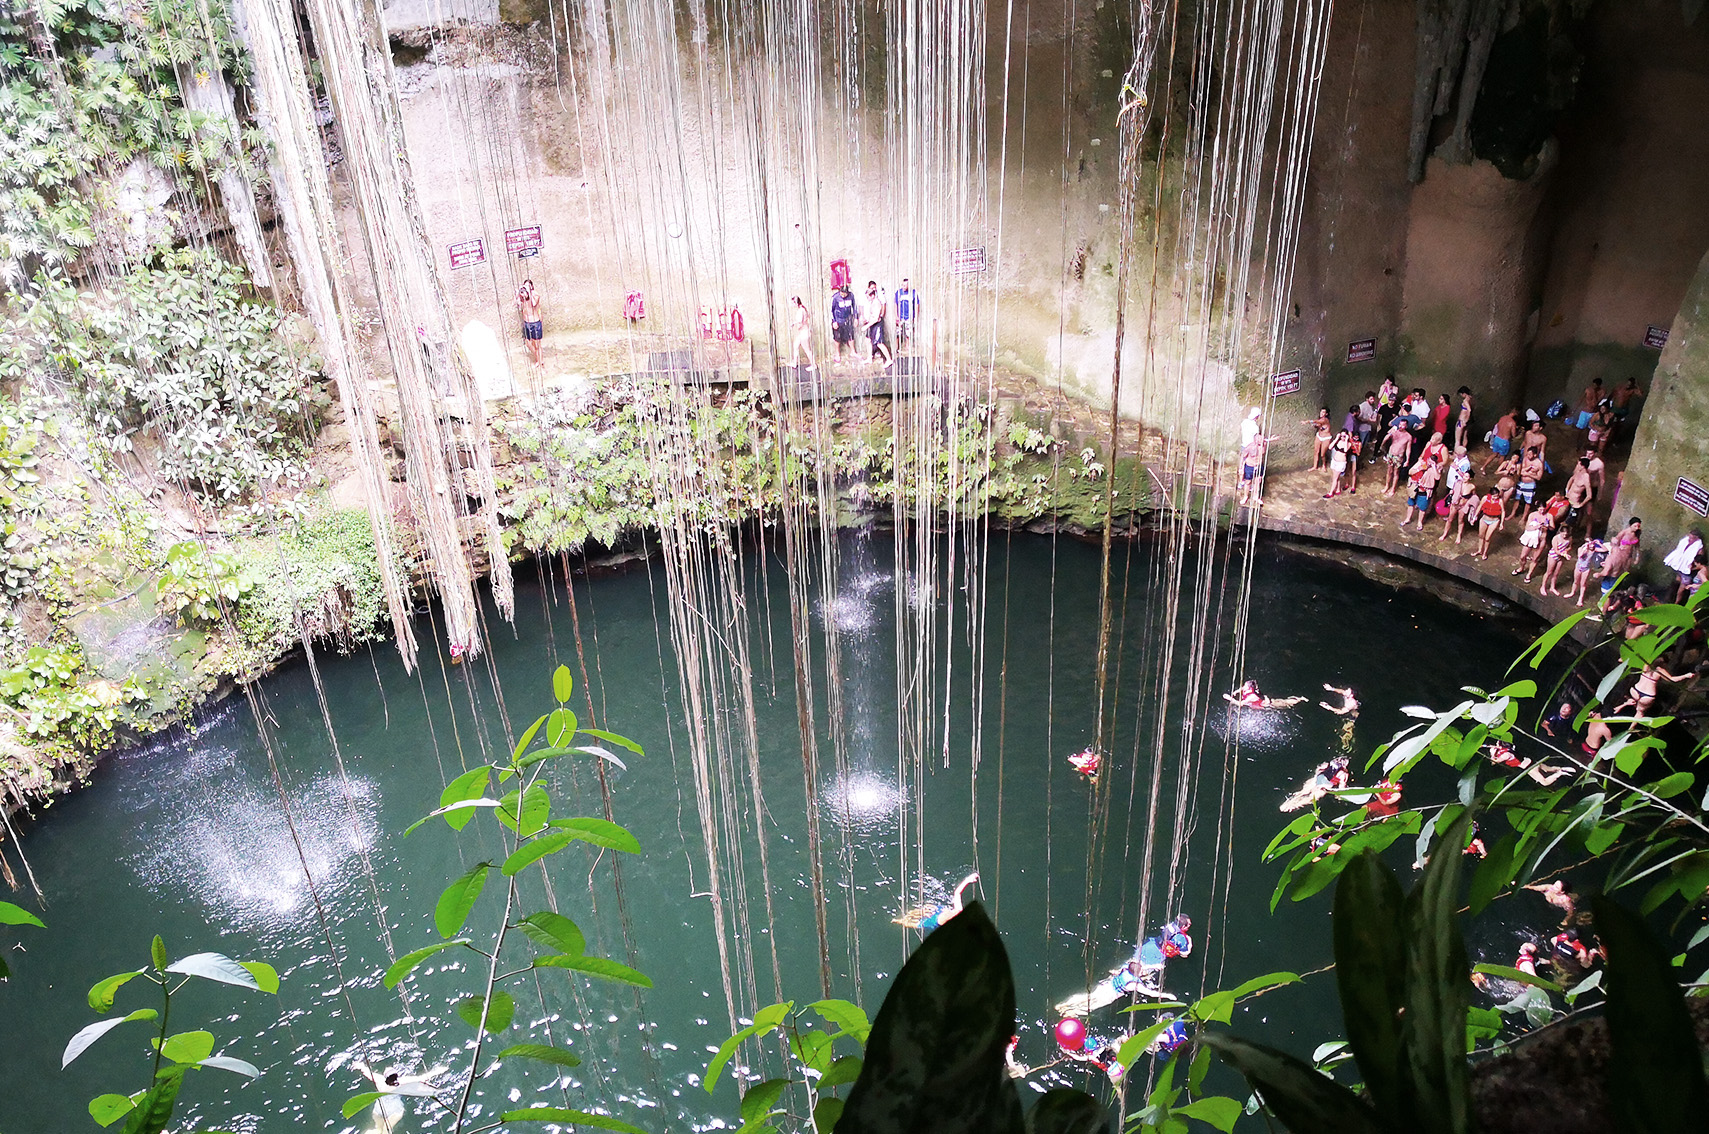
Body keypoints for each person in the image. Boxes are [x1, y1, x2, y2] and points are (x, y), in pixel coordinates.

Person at [351, 1059, 448, 1133]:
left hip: (379, 1109)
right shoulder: (401, 1082)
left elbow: (366, 1071)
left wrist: (359, 1065)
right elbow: (422, 1078)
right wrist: (439, 1071)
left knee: (378, 1129)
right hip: (395, 1109)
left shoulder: (379, 1080)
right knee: (386, 1131)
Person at [894, 872, 979, 931]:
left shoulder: (958, 911)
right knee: (918, 921)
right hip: (936, 917)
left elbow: (957, 893)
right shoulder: (957, 916)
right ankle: (901, 920)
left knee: (919, 916)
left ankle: (900, 920)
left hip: (937, 917)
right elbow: (957, 893)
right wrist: (968, 880)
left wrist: (968, 880)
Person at [1610, 662, 1694, 715]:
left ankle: (1623, 705)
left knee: (1634, 700)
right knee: (1640, 712)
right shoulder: (1659, 670)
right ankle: (1630, 730)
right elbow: (1672, 679)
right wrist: (1686, 675)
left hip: (1635, 691)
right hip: (1647, 696)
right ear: (1664, 664)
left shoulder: (1646, 665)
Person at [1281, 754, 1351, 811]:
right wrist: (1339, 797)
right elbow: (1342, 787)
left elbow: (1319, 769)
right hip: (1325, 785)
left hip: (1318, 778)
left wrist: (1315, 777)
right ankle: (1294, 806)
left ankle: (1288, 802)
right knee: (1311, 798)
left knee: (1302, 792)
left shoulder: (1328, 764)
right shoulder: (1343, 774)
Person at [1485, 740, 1572, 785]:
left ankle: (1559, 773)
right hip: (1531, 762)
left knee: (1544, 782)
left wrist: (1492, 754)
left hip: (1529, 768)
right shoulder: (1507, 749)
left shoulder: (1505, 754)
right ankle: (1562, 768)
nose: (1496, 744)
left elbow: (1494, 762)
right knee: (1548, 769)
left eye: (1497, 744)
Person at [1399, 457, 1440, 532]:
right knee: (1411, 504)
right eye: (1429, 461)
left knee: (1422, 508)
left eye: (1432, 462)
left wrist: (1434, 467)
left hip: (1424, 490)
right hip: (1414, 488)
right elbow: (1410, 472)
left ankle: (1419, 523)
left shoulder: (1436, 469)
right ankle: (1408, 518)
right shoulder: (1420, 463)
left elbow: (1437, 477)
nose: (1429, 463)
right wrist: (1420, 468)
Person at [1513, 507, 1553, 582]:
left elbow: (1552, 528)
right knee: (1523, 556)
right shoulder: (1532, 515)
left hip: (1541, 539)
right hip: (1531, 538)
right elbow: (1527, 527)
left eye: (1543, 509)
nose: (1542, 511)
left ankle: (1529, 574)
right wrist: (1536, 527)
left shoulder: (1549, 516)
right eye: (1540, 509)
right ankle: (1521, 567)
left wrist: (1547, 526)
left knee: (1535, 558)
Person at [1665, 528, 1704, 603]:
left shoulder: (1699, 547)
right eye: (1689, 537)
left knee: (1682, 589)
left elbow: (1699, 559)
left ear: (1697, 538)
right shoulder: (1685, 540)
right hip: (1679, 566)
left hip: (1688, 570)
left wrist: (1692, 567)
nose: (1689, 539)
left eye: (1692, 538)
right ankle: (1669, 599)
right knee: (1676, 582)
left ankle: (1677, 603)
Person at [1601, 517, 1642, 586]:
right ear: (1630, 525)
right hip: (1620, 554)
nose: (1637, 528)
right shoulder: (1624, 532)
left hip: (1628, 556)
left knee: (1624, 572)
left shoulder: (1637, 533)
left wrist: (1637, 557)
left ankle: (1617, 586)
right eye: (1635, 526)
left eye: (1638, 526)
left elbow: (1637, 546)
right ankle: (1606, 585)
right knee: (1614, 570)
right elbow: (1615, 542)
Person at [861, 280, 893, 367]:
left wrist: (866, 326)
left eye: (868, 297)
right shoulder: (872, 302)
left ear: (872, 295)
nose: (867, 298)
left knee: (879, 343)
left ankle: (889, 360)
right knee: (868, 340)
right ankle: (869, 358)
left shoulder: (876, 303)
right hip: (872, 324)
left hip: (877, 325)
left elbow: (875, 319)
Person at [1440, 471, 1477, 544]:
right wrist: (1452, 492)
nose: (1464, 478)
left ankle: (1459, 535)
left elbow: (1474, 496)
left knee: (1460, 520)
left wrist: (1470, 503)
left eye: (1466, 476)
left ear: (1470, 478)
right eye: (1464, 476)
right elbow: (1454, 490)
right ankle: (1444, 534)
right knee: (1450, 519)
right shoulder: (1458, 483)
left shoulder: (1472, 486)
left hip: (1463, 505)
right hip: (1455, 504)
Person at [1570, 536, 1607, 605]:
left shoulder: (1594, 549)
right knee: (1575, 581)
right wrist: (1585, 548)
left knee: (1583, 584)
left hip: (1586, 569)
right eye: (1589, 544)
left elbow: (1605, 550)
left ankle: (1580, 599)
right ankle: (1572, 592)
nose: (1591, 545)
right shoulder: (1581, 549)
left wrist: (1599, 543)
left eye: (1592, 543)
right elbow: (1580, 555)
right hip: (1578, 567)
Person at [1382, 420, 1414, 496]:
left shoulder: (1408, 436)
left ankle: (1393, 489)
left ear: (1406, 426)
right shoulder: (1395, 432)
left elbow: (1408, 449)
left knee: (1396, 472)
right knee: (1389, 471)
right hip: (1391, 454)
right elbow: (1385, 439)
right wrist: (1390, 433)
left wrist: (1407, 460)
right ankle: (1386, 486)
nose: (1400, 426)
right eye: (1400, 424)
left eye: (1403, 425)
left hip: (1399, 456)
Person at [1481, 407, 1519, 472]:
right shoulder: (1512, 423)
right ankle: (1499, 470)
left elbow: (1498, 427)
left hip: (1497, 438)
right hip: (1504, 441)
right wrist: (1517, 431)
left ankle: (1483, 467)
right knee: (1502, 456)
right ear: (1515, 413)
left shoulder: (1502, 418)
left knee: (1494, 454)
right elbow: (1513, 435)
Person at [1223, 679, 1305, 709]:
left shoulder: (1252, 696)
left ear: (1250, 688)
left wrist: (1229, 698)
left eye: (1246, 686)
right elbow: (1242, 688)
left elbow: (1240, 704)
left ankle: (1300, 699)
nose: (1244, 687)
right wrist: (1236, 692)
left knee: (1286, 703)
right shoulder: (1248, 688)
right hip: (1260, 703)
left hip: (1269, 704)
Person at [1540, 526, 1574, 596]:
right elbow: (1556, 550)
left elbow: (1570, 547)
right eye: (1563, 534)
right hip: (1553, 556)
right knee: (1549, 572)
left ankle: (1552, 587)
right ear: (1560, 532)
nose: (1564, 536)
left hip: (1561, 557)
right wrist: (1564, 554)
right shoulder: (1556, 538)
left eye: (1566, 534)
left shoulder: (1569, 538)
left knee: (1556, 573)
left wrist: (1566, 551)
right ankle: (1543, 586)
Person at [517, 279, 543, 366]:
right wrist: (518, 294)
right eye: (525, 286)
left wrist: (529, 293)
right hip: (527, 323)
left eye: (528, 286)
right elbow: (515, 304)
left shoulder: (535, 295)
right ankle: (539, 358)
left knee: (537, 344)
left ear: (531, 286)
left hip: (534, 323)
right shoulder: (523, 297)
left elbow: (534, 303)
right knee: (528, 343)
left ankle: (540, 362)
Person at [1563, 459, 1593, 534]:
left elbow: (1589, 495)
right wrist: (1567, 490)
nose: (1577, 465)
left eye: (1579, 464)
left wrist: (1581, 504)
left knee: (1568, 524)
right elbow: (1571, 479)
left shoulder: (1586, 477)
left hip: (1575, 503)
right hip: (1567, 499)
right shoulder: (1577, 472)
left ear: (1582, 466)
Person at [1474, 488, 1505, 560]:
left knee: (1487, 538)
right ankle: (1479, 550)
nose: (1495, 498)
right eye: (1494, 496)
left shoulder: (1500, 501)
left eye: (1497, 496)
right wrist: (1475, 516)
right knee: (1481, 535)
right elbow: (1480, 506)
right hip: (1484, 519)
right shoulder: (1485, 498)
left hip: (1494, 520)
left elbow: (1503, 511)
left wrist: (1501, 523)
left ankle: (1485, 552)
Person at [830, 283, 857, 359]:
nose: (843, 295)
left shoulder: (851, 296)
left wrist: (856, 318)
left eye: (844, 294)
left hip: (848, 319)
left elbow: (854, 307)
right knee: (837, 337)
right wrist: (834, 321)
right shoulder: (835, 297)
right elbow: (831, 310)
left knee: (850, 335)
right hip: (838, 319)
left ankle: (853, 352)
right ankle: (837, 353)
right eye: (841, 293)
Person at [788, 295, 816, 370]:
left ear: (796, 303)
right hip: (801, 332)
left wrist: (794, 324)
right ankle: (794, 362)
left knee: (807, 349)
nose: (792, 305)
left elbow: (800, 321)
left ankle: (814, 365)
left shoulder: (801, 311)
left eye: (792, 303)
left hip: (804, 332)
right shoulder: (802, 309)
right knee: (795, 346)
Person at [1325, 430, 1353, 498]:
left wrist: (1346, 440)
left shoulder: (1348, 444)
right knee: (1335, 477)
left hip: (1341, 462)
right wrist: (1337, 438)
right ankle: (1337, 490)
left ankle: (1331, 492)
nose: (1342, 438)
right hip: (1335, 461)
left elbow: (1346, 450)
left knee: (1335, 478)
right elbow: (1330, 447)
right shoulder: (1338, 441)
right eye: (1341, 436)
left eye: (1344, 436)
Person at [893, 277, 919, 348]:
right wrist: (896, 316)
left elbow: (917, 305)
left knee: (909, 332)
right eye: (902, 285)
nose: (903, 287)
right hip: (900, 316)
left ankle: (908, 346)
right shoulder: (898, 293)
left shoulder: (913, 293)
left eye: (904, 285)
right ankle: (896, 346)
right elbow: (895, 304)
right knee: (898, 332)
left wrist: (915, 316)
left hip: (909, 316)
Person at [1357, 392, 1380, 457]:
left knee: (1365, 443)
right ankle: (1358, 456)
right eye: (1371, 399)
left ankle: (1362, 456)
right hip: (1362, 428)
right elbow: (1358, 417)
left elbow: (1373, 416)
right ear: (1367, 399)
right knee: (1361, 444)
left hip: (1368, 428)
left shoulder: (1372, 406)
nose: (1373, 400)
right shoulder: (1362, 406)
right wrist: (1368, 420)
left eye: (1373, 399)